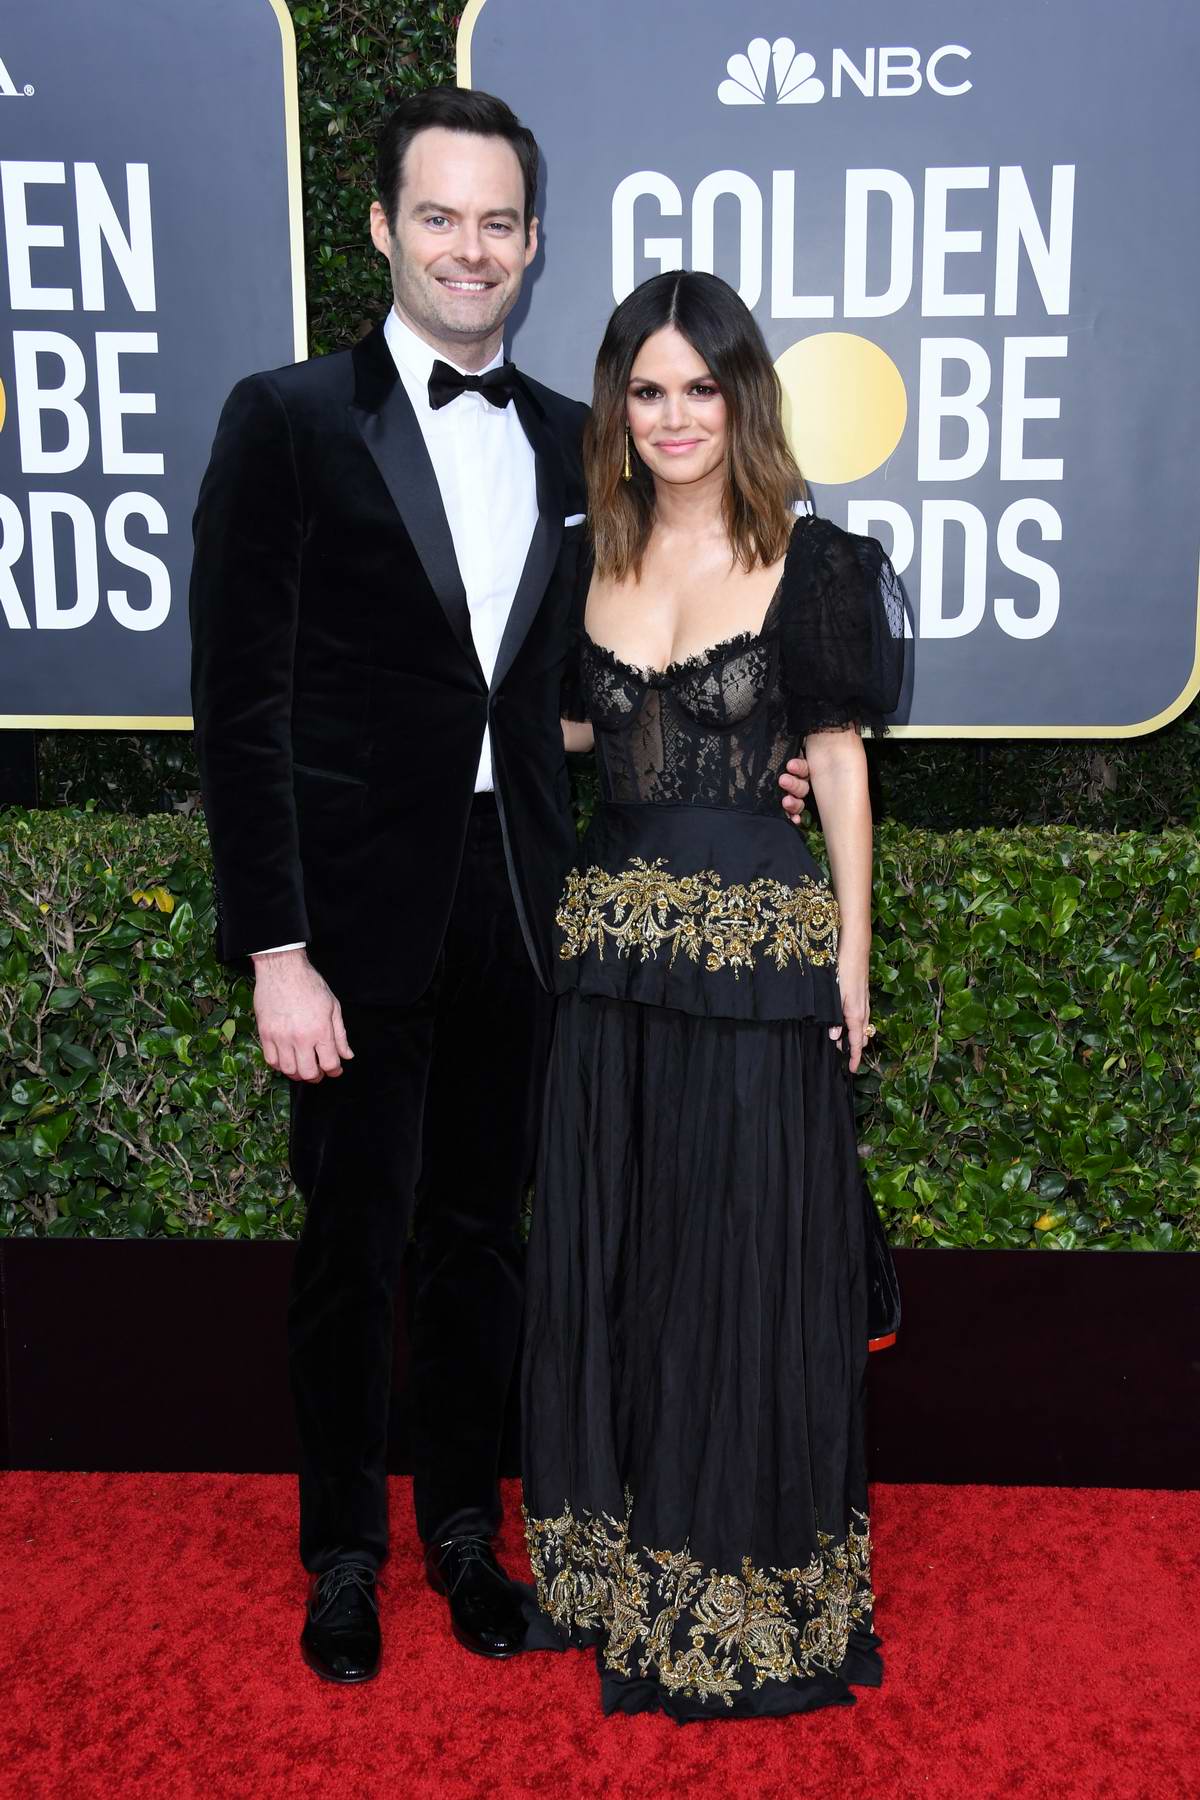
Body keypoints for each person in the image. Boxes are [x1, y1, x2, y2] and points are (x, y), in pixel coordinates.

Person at [189, 93, 813, 1684]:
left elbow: (576, 690)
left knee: (482, 1239)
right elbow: (239, 705)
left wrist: (745, 760)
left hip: (529, 909)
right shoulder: (284, 420)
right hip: (347, 917)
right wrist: (275, 945)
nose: (472, 249)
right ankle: (343, 1553)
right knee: (353, 1238)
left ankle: (468, 1533)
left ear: (534, 247)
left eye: (500, 222)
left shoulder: (565, 443)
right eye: (441, 217)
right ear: (386, 231)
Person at [520, 270, 905, 1720]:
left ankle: (747, 1579)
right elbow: (563, 719)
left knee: (743, 1262)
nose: (676, 415)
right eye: (648, 388)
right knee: (622, 1258)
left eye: (702, 386)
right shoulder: (581, 559)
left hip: (756, 968)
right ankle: (615, 1564)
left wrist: (851, 963)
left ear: (745, 399)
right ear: (619, 405)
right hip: (609, 967)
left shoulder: (814, 561)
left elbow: (843, 763)